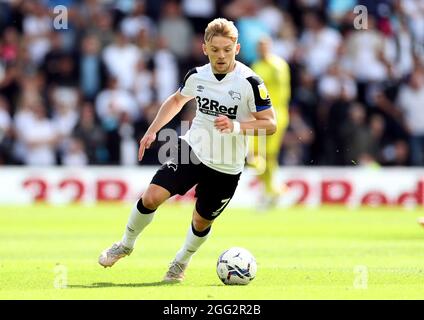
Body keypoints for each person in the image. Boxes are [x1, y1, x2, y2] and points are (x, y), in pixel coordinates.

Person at [98, 18, 276, 282]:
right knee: (151, 197)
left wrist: (236, 126)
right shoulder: (197, 75)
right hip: (192, 149)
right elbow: (177, 100)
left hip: (227, 166)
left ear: (237, 49)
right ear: (205, 48)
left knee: (201, 221)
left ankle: (181, 261)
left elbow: (270, 124)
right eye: (215, 49)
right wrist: (152, 130)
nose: (221, 55)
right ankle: (125, 244)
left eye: (227, 49)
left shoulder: (251, 82)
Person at [248, 36, 290, 208]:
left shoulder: (278, 65)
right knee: (255, 155)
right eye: (260, 47)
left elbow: (280, 85)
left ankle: (271, 191)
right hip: (259, 115)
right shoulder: (256, 66)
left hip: (276, 114)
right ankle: (274, 190)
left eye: (265, 46)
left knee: (268, 155)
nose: (262, 50)